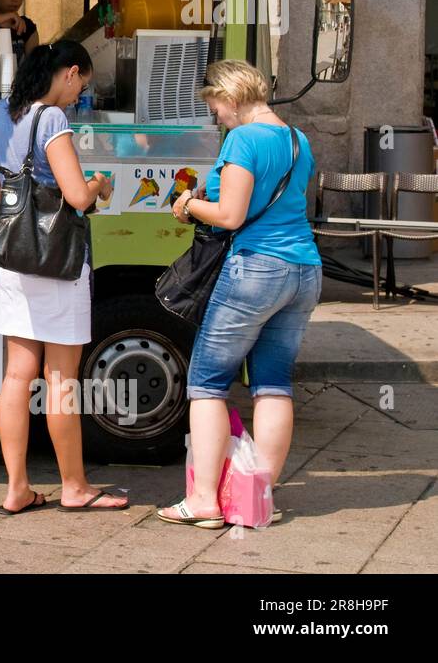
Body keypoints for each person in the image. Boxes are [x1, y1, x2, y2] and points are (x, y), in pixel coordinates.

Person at [157, 60, 320, 529]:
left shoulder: (244, 139)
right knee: (273, 383)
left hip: (256, 269)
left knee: (206, 383)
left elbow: (228, 214)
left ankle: (205, 499)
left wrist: (188, 206)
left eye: (216, 108)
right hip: (304, 270)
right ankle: (255, 497)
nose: (217, 117)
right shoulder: (296, 138)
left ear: (229, 96)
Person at [0, 40, 126, 515]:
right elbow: (78, 197)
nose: (78, 94)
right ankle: (74, 487)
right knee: (60, 376)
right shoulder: (53, 119)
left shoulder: (0, 113)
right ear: (68, 73)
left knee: (17, 375)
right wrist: (100, 184)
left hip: (15, 259)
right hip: (57, 261)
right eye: (80, 83)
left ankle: (17, 488)